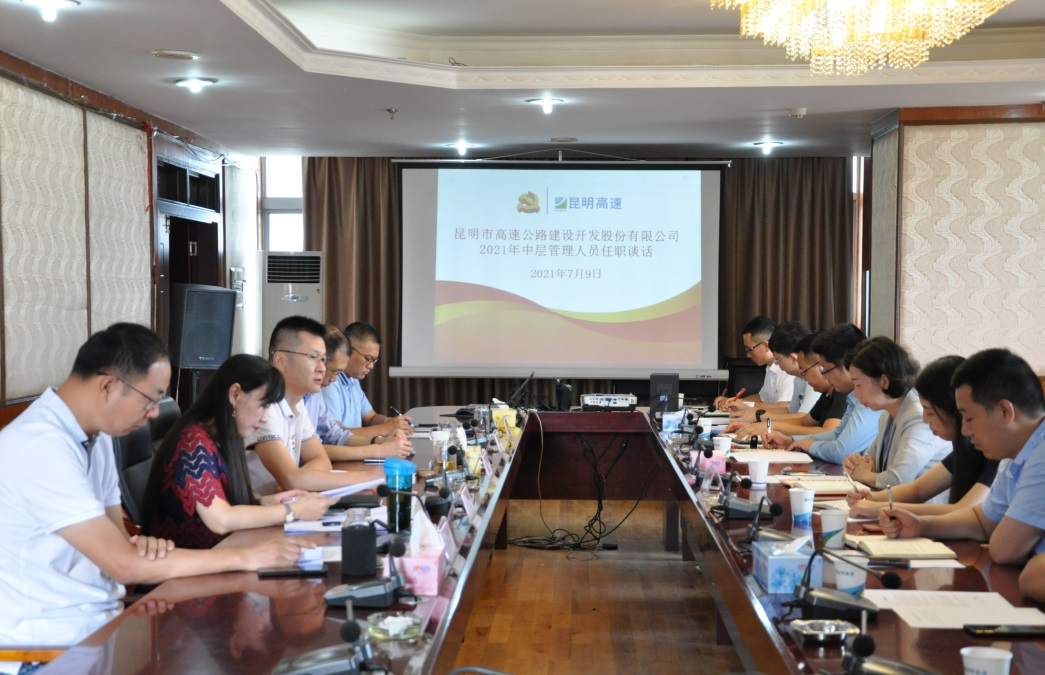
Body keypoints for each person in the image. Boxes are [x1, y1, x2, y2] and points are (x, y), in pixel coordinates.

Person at [0, 324, 303, 659]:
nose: (156, 412)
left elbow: (120, 541)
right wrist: (246, 557)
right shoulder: (39, 446)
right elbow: (123, 564)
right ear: (108, 385)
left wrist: (143, 550)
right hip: (43, 650)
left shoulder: (97, 437)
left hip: (98, 625)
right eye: (151, 398)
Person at [141, 354, 335, 549]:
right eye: (263, 405)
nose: (265, 417)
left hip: (220, 550)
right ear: (235, 394)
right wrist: (292, 510)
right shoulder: (192, 442)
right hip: (190, 561)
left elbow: (227, 501)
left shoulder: (220, 438)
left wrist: (265, 502)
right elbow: (221, 519)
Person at [880, 349, 1045, 565]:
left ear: (1005, 412)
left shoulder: (1041, 455)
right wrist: (920, 525)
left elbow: (1004, 549)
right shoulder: (1012, 454)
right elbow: (981, 521)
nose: (965, 431)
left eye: (969, 418)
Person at [245, 316, 385, 493]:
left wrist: (300, 481)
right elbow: (291, 479)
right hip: (258, 506)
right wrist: (366, 478)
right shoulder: (264, 403)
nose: (322, 368)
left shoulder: (297, 403)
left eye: (323, 359)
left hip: (287, 499)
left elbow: (321, 459)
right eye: (313, 357)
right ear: (281, 361)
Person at [847, 355, 998, 517]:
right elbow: (916, 490)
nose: (925, 419)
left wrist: (880, 508)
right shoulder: (965, 449)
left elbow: (964, 511)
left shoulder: (996, 453)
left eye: (930, 412)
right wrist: (871, 497)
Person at [763, 323, 883, 463]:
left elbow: (841, 452)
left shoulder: (870, 395)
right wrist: (792, 440)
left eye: (825, 369)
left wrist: (810, 445)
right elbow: (836, 435)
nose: (825, 376)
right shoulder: (853, 395)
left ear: (847, 364)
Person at [841, 337, 950, 489]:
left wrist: (863, 475)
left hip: (919, 504)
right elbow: (867, 461)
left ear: (884, 381)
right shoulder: (887, 415)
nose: (856, 394)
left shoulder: (918, 416)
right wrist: (855, 464)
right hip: (891, 501)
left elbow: (898, 479)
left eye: (858, 385)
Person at [303, 326, 412, 461]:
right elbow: (315, 448)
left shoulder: (316, 393)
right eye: (368, 358)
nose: (371, 366)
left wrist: (380, 440)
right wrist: (377, 448)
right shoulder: (322, 387)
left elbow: (336, 435)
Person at [729, 331, 846, 440]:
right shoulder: (827, 394)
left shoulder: (841, 391)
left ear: (822, 367)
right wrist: (764, 423)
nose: (804, 378)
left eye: (804, 372)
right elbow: (803, 421)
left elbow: (829, 433)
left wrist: (770, 426)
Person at [322, 321, 412, 441]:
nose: (371, 366)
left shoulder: (353, 380)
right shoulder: (329, 382)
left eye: (374, 360)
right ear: (348, 350)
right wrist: (385, 429)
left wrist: (391, 422)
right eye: (368, 358)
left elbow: (371, 418)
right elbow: (334, 436)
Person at [728, 321, 820, 426]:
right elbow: (790, 411)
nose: (777, 364)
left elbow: (802, 418)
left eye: (777, 360)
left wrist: (759, 417)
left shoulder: (813, 378)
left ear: (793, 358)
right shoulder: (798, 378)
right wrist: (752, 411)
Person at [712, 315, 793, 411]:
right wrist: (733, 401)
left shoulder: (787, 368)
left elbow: (785, 407)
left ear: (765, 346)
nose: (748, 355)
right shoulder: (770, 367)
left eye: (749, 349)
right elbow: (762, 398)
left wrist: (746, 405)